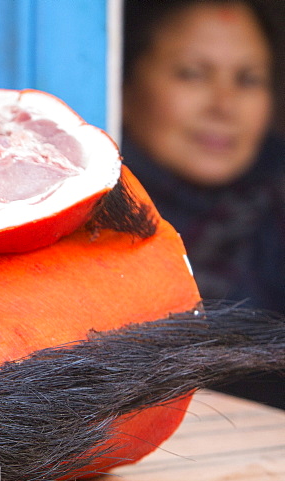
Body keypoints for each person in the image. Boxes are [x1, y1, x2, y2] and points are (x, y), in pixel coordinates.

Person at [123, 0, 285, 409]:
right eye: (192, 74)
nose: (224, 106)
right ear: (121, 84)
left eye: (248, 79)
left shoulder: (276, 213)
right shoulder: (85, 213)